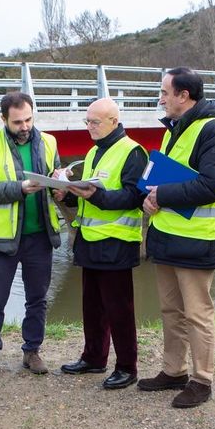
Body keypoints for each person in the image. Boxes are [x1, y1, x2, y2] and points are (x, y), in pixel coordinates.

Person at [137, 67, 215, 408]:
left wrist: (161, 194)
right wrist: (150, 197)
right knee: (170, 309)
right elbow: (165, 178)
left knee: (197, 313)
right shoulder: (174, 129)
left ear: (184, 96)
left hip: (198, 242)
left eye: (165, 92)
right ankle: (173, 370)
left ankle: (202, 380)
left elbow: (212, 185)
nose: (161, 98)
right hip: (167, 238)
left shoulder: (214, 131)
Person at [57, 98, 148, 389]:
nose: (89, 127)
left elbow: (134, 197)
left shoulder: (133, 152)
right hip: (90, 239)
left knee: (119, 308)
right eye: (87, 122)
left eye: (95, 122)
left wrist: (91, 195)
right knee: (92, 305)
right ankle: (94, 357)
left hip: (117, 241)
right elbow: (89, 197)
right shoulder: (95, 150)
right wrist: (66, 194)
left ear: (114, 122)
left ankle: (127, 367)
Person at [0, 91, 62, 376]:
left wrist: (61, 183)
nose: (24, 127)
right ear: (3, 119)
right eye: (17, 122)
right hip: (3, 238)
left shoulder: (49, 141)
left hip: (40, 236)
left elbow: (55, 175)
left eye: (28, 119)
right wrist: (19, 189)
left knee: (37, 297)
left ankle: (32, 350)